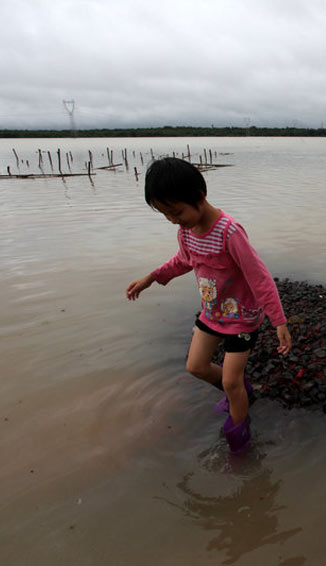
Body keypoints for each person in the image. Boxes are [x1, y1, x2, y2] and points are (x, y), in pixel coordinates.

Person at [126, 157, 291, 453]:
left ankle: (239, 441)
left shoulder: (230, 232)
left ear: (200, 197)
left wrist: (278, 320)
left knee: (230, 382)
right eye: (165, 215)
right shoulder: (186, 232)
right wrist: (151, 277)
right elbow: (183, 261)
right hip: (212, 314)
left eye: (177, 212)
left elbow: (259, 277)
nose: (173, 220)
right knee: (196, 366)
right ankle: (243, 392)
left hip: (242, 319)